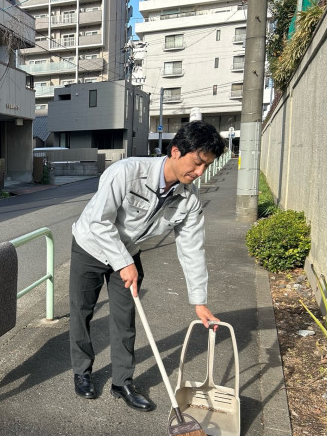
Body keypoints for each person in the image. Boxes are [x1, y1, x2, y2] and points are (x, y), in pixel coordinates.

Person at [69, 120, 225, 411]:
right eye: (197, 162)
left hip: (128, 251)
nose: (200, 172)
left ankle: (122, 382)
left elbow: (192, 248)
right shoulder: (127, 172)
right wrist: (122, 262)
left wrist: (199, 301)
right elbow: (99, 222)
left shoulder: (189, 199)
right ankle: (82, 372)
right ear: (176, 151)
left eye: (206, 165)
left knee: (125, 318)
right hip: (90, 245)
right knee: (82, 312)